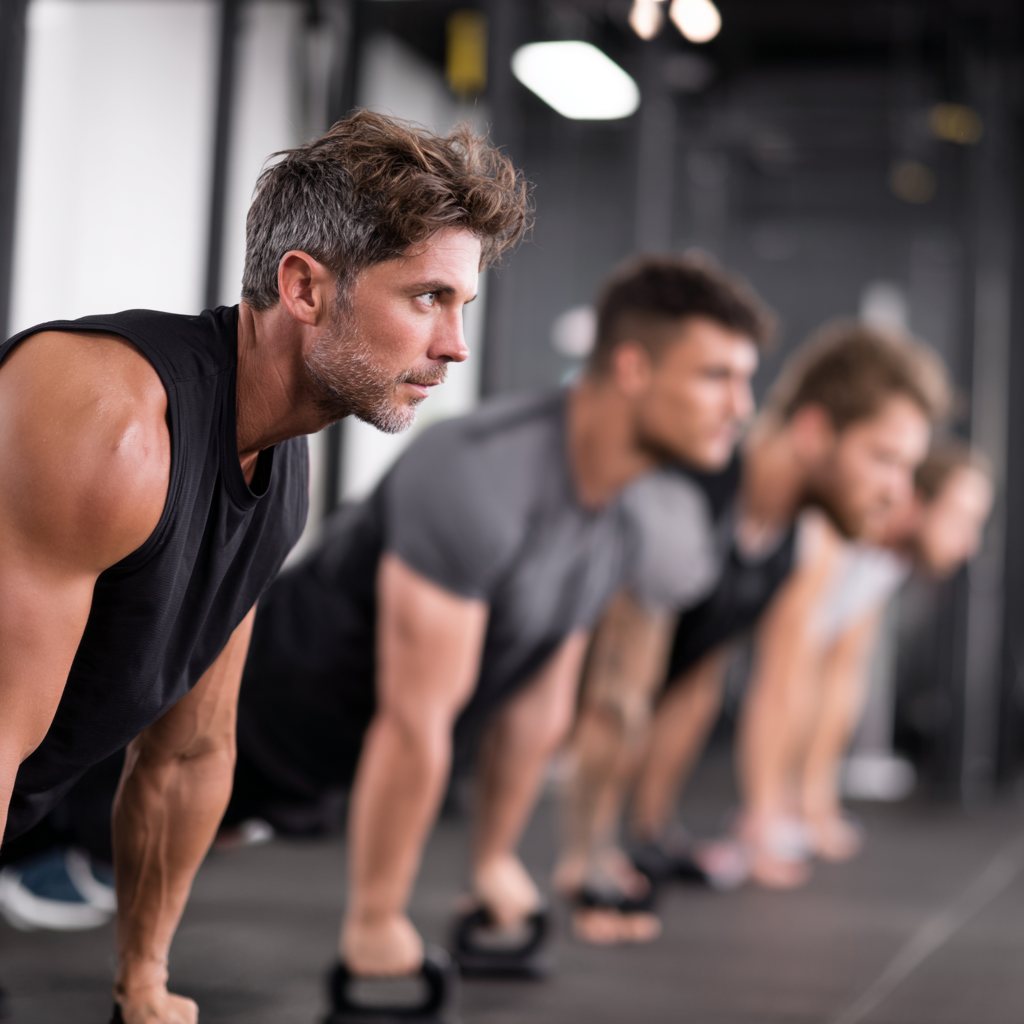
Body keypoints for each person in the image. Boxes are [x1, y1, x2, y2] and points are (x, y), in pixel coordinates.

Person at [0, 111, 528, 1023]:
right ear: (305, 287)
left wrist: (144, 982)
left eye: (462, 307)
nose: (455, 348)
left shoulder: (277, 465)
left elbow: (189, 750)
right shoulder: (108, 420)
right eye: (425, 299)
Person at [224, 254, 773, 980]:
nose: (741, 407)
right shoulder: (481, 470)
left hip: (327, 777)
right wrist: (377, 921)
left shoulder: (623, 512)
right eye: (717, 377)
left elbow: (537, 707)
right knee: (51, 832)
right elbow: (413, 719)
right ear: (635, 368)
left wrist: (492, 864)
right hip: (241, 722)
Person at [560, 320, 951, 927]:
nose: (898, 492)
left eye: (906, 467)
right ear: (815, 430)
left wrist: (652, 833)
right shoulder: (691, 498)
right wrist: (588, 869)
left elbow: (695, 683)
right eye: (883, 458)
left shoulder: (794, 539)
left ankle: (649, 828)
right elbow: (616, 697)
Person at [794, 440, 994, 861]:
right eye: (959, 519)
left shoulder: (887, 563)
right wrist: (765, 811)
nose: (968, 544)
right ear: (916, 501)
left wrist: (816, 803)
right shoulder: (837, 540)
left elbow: (840, 674)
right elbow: (784, 674)